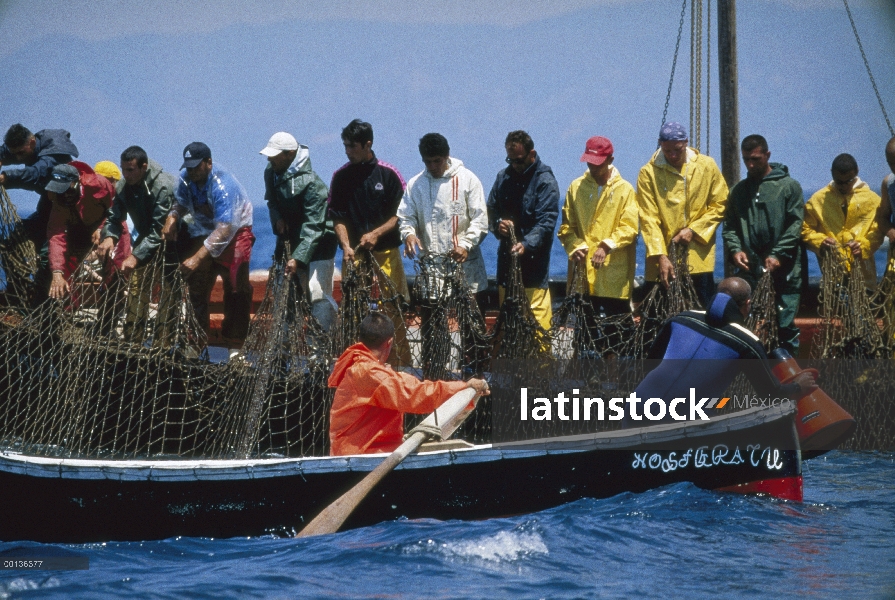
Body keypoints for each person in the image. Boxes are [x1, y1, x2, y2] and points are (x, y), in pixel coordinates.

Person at [623, 277, 817, 427]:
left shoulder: (680, 319)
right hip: (678, 424)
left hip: (635, 409)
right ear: (747, 304)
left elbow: (649, 365)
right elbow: (771, 395)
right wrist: (798, 387)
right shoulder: (748, 343)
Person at [328, 312, 489, 456]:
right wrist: (464, 387)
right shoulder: (368, 372)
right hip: (361, 454)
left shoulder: (363, 367)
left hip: (363, 451)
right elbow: (415, 395)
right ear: (389, 342)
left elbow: (403, 386)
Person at [328, 119, 410, 363]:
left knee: (392, 307)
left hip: (385, 252)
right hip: (354, 253)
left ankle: (400, 364)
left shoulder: (388, 174)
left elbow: (402, 214)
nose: (347, 151)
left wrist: (376, 234)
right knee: (353, 309)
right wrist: (345, 246)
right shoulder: (340, 176)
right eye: (345, 146)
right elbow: (337, 215)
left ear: (368, 144)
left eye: (353, 146)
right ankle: (357, 362)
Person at [162, 142, 254, 343]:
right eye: (188, 167)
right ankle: (195, 341)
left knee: (237, 287)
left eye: (196, 166)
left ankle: (235, 344)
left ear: (209, 163)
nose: (192, 171)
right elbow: (181, 201)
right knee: (197, 284)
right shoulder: (186, 180)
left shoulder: (223, 186)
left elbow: (225, 229)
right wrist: (173, 216)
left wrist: (196, 258)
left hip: (235, 232)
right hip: (205, 232)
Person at [723, 135, 806, 355]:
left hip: (785, 270)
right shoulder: (738, 191)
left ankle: (790, 379)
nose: (750, 164)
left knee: (785, 325)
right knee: (749, 326)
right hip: (752, 270)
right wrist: (735, 249)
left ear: (767, 156)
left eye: (755, 159)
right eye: (746, 160)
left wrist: (778, 254)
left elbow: (795, 226)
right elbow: (730, 226)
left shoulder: (789, 187)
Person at [636, 121, 728, 307]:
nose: (673, 155)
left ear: (686, 142)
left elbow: (720, 204)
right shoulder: (648, 173)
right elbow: (648, 219)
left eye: (677, 150)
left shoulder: (707, 166)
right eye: (668, 151)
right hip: (661, 261)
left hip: (698, 258)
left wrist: (693, 230)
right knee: (657, 317)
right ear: (660, 144)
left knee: (701, 312)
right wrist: (661, 256)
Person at [557, 136, 638, 348]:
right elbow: (566, 227)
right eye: (589, 162)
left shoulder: (625, 190)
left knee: (618, 329)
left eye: (598, 163)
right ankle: (586, 375)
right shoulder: (576, 187)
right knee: (584, 330)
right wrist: (575, 246)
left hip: (614, 274)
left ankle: (620, 374)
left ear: (610, 158)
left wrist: (607, 245)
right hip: (583, 273)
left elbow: (630, 227)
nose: (593, 167)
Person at [97, 146, 177, 342]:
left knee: (168, 289)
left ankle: (163, 345)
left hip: (172, 238)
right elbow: (114, 218)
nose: (126, 175)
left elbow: (159, 229)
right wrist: (109, 237)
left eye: (130, 170)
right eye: (123, 169)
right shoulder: (123, 187)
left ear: (144, 167)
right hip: (146, 236)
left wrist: (135, 256)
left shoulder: (162, 186)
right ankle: (133, 340)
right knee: (136, 285)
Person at [260, 131, 338, 332]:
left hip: (321, 240)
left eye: (274, 155)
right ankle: (283, 346)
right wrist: (277, 219)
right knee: (285, 292)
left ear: (290, 154)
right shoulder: (271, 172)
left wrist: (298, 258)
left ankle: (319, 350)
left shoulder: (313, 184)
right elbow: (272, 201)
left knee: (317, 292)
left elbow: (314, 226)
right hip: (291, 238)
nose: (270, 159)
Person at [487, 130, 560, 330]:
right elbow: (491, 210)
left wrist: (526, 244)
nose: (514, 165)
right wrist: (497, 225)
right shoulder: (503, 177)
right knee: (509, 323)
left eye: (519, 160)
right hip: (506, 263)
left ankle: (542, 362)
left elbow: (546, 222)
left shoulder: (545, 181)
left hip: (533, 267)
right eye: (510, 160)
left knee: (536, 325)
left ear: (532, 155)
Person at [399, 132, 489, 294]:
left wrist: (465, 244)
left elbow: (480, 219)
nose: (433, 167)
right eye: (428, 162)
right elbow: (406, 216)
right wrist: (409, 234)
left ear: (447, 156)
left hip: (465, 264)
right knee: (431, 316)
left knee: (470, 317)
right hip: (431, 266)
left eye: (437, 161)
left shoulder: (468, 180)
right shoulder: (415, 185)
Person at [0, 124, 79, 302]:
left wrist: (6, 177)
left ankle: (44, 305)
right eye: (15, 154)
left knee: (47, 258)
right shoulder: (27, 145)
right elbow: (5, 152)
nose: (18, 157)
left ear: (33, 142)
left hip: (64, 213)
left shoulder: (54, 156)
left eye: (21, 153)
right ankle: (17, 294)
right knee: (10, 241)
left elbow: (35, 173)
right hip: (45, 208)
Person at [44, 162, 130, 301]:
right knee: (65, 269)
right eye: (59, 191)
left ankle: (110, 311)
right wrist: (57, 273)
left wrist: (102, 229)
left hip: (110, 226)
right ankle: (67, 313)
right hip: (79, 230)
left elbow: (115, 210)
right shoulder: (58, 203)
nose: (64, 195)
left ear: (76, 183)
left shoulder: (99, 184)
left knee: (116, 266)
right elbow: (56, 236)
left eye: (66, 189)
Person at [802, 153, 883, 287]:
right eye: (839, 182)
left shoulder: (873, 200)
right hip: (832, 279)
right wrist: (820, 241)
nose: (844, 186)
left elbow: (879, 230)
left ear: (857, 171)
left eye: (849, 181)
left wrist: (863, 246)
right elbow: (804, 229)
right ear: (832, 173)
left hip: (865, 279)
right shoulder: (817, 200)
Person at [875, 136, 895, 250]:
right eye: (891, 163)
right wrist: (890, 231)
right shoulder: (888, 183)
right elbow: (883, 218)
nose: (894, 168)